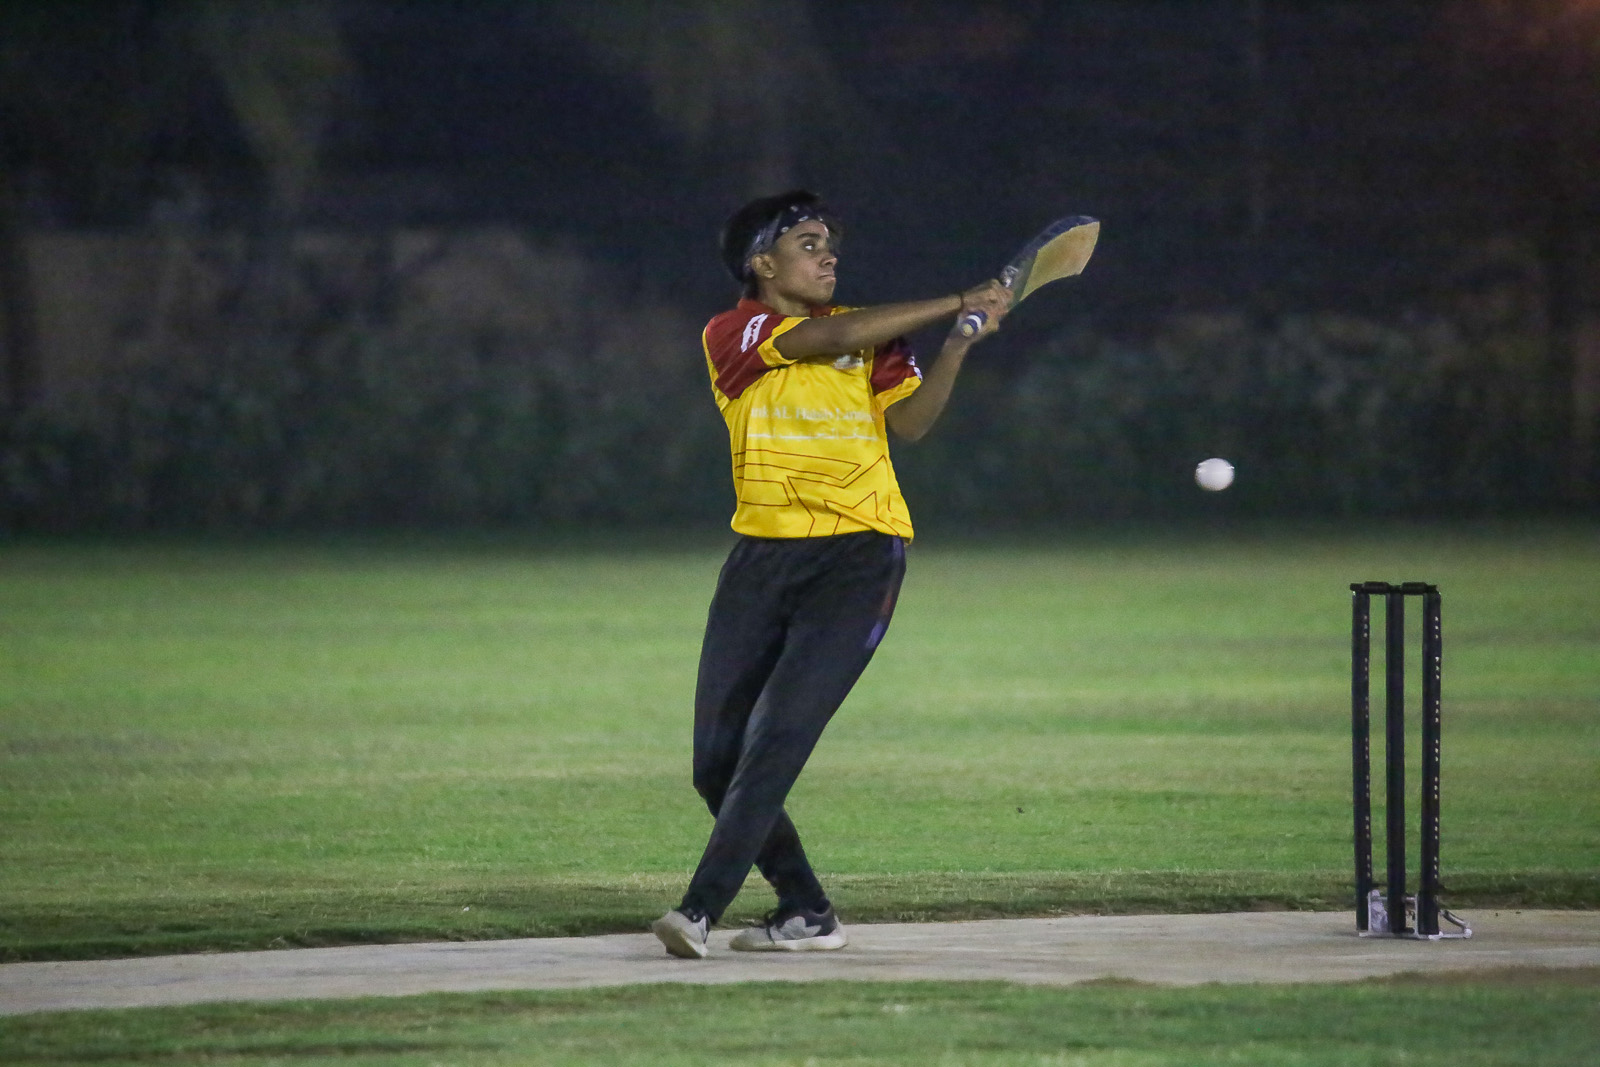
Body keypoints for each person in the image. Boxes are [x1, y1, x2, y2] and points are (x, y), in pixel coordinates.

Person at [650, 190, 1010, 958]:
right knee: (714, 764)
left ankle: (699, 910)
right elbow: (832, 335)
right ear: (762, 262)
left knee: (776, 739)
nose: (828, 255)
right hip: (759, 559)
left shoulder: (872, 336)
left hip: (859, 555)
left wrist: (957, 343)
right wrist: (958, 297)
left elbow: (911, 423)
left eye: (830, 244)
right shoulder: (735, 330)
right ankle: (807, 910)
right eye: (808, 243)